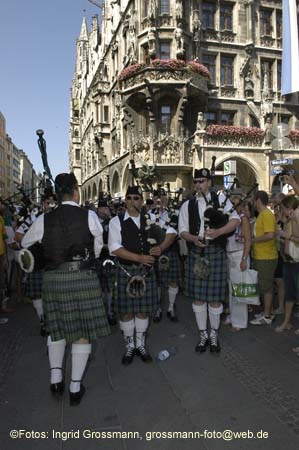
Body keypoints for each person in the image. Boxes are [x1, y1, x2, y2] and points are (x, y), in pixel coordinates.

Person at [22, 173, 110, 406]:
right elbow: (99, 247)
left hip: (54, 279)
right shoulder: (89, 216)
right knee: (82, 332)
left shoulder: (44, 219)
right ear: (75, 191)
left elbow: (25, 244)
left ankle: (55, 379)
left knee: (56, 329)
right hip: (83, 276)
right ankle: (74, 387)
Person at [178, 168, 240, 353]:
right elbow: (182, 231)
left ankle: (214, 334)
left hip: (216, 251)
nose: (198, 185)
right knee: (198, 299)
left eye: (202, 181)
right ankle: (203, 334)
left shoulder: (221, 200)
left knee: (214, 299)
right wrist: (193, 239)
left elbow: (235, 220)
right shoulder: (187, 205)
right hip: (197, 252)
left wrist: (219, 231)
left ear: (209, 182)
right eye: (196, 182)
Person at [108, 186, 162, 365]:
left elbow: (171, 231)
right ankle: (129, 345)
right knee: (126, 312)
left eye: (136, 198)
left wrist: (160, 247)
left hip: (145, 273)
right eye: (129, 198)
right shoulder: (116, 222)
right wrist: (139, 257)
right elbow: (114, 248)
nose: (132, 201)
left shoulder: (151, 220)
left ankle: (140, 345)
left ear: (141, 200)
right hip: (126, 270)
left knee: (142, 311)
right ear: (125, 201)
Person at [150, 188, 179, 323]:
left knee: (173, 281)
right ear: (153, 199)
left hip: (170, 251)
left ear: (166, 198)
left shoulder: (174, 214)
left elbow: (173, 232)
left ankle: (171, 307)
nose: (159, 199)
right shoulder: (148, 215)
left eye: (162, 196)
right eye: (157, 197)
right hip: (155, 252)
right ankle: (158, 308)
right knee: (157, 282)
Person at [250, 191, 278, 325]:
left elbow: (270, 235)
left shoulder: (266, 214)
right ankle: (268, 312)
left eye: (253, 200)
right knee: (264, 286)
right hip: (262, 256)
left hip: (266, 257)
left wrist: (252, 240)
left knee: (266, 287)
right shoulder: (263, 214)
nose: (252, 202)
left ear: (258, 200)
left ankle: (267, 316)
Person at [225, 197, 252, 331]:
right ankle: (233, 315)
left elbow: (248, 240)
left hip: (239, 254)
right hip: (229, 254)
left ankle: (240, 322)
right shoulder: (229, 218)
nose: (233, 206)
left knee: (240, 290)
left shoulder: (243, 219)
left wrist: (244, 258)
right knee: (231, 289)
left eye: (235, 204)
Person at [275, 196, 299, 332]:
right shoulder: (290, 220)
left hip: (296, 261)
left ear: (289, 208)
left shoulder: (296, 219)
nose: (282, 211)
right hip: (288, 260)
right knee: (289, 294)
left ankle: (287, 322)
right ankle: (286, 322)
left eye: (283, 208)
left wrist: (285, 236)